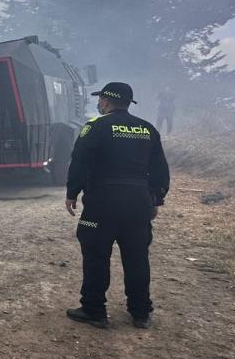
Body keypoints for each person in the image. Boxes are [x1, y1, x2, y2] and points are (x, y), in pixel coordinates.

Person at [64, 82, 169, 329]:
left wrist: (72, 193)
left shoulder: (94, 127)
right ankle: (141, 312)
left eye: (100, 99)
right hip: (138, 203)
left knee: (95, 255)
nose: (99, 103)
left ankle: (94, 310)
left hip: (102, 203)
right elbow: (160, 170)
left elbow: (79, 162)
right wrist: (156, 199)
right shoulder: (148, 129)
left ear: (106, 101)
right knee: (137, 257)